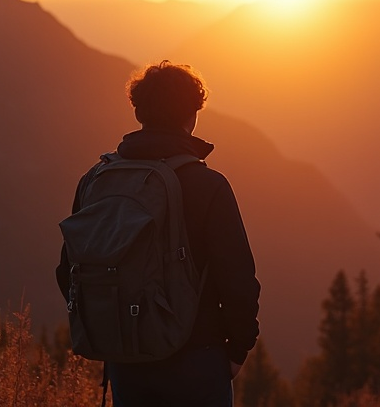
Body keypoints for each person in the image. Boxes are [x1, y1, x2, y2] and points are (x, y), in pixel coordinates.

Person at [56, 60, 260, 407]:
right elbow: (238, 278)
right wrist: (238, 348)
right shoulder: (207, 185)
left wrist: (115, 327)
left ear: (140, 112)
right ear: (192, 114)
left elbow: (68, 271)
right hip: (198, 357)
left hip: (127, 360)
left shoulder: (96, 180)